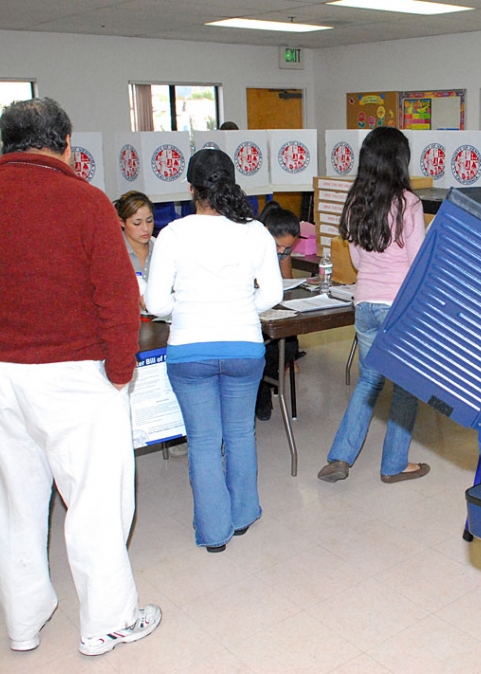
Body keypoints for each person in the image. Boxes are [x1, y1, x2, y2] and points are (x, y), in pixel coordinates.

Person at [0, 98, 161, 655]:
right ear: (67, 143)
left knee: (12, 507)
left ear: (5, 143)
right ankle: (107, 623)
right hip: (72, 376)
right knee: (96, 504)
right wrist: (120, 374)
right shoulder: (85, 200)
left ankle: (23, 624)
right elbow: (118, 298)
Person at [145, 148, 283, 552]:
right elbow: (272, 293)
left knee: (204, 441)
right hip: (243, 346)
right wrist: (240, 308)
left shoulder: (171, 235)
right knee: (240, 432)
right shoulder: (255, 231)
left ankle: (214, 533)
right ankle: (242, 516)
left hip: (189, 350)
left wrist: (186, 309)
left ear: (190, 188)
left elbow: (155, 305)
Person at [317, 126, 430, 484]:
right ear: (399, 161)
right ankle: (395, 463)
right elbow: (419, 261)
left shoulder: (355, 203)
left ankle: (340, 456)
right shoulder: (408, 203)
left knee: (369, 381)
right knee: (406, 385)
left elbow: (356, 259)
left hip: (365, 303)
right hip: (399, 307)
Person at [255, 200, 304, 421]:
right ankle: (261, 391)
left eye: (287, 249)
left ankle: (263, 385)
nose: (282, 252)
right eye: (279, 247)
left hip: (272, 307)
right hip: (251, 310)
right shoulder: (250, 246)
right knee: (262, 345)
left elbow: (287, 281)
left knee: (290, 344)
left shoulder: (282, 251)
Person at [114, 190, 155, 305]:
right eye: (137, 223)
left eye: (149, 221)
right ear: (121, 222)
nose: (145, 228)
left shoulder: (162, 248)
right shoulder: (112, 253)